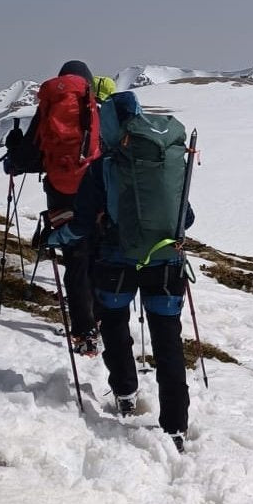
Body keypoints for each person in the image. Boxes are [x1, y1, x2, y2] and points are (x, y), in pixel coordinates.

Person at [46, 90, 194, 452]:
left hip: (116, 261)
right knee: (168, 342)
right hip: (167, 262)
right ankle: (176, 427)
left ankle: (126, 392)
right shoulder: (168, 159)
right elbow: (186, 217)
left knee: (113, 323)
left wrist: (55, 237)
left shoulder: (104, 165)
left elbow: (81, 223)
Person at [4, 60, 101, 355]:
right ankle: (100, 319)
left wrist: (14, 151)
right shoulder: (93, 107)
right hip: (95, 192)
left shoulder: (48, 107)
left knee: (75, 260)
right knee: (98, 254)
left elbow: (30, 157)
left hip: (60, 195)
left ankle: (84, 333)